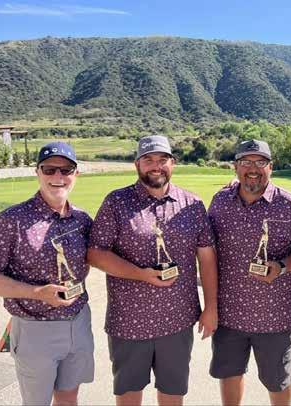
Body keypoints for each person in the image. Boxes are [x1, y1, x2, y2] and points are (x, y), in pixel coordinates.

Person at [87, 135, 218, 406]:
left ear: (173, 163)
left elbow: (206, 258)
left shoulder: (192, 204)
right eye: (148, 160)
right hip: (129, 321)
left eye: (162, 159)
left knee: (173, 394)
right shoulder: (116, 202)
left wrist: (211, 308)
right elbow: (96, 254)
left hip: (178, 321)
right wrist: (141, 274)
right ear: (137, 164)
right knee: (128, 395)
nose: (156, 166)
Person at [0, 142, 94, 406]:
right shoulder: (11, 220)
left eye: (66, 170)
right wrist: (36, 293)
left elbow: (88, 262)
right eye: (49, 169)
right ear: (37, 172)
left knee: (69, 398)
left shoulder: (82, 219)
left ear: (76, 174)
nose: (58, 176)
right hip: (35, 328)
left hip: (79, 321)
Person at [207, 139, 291, 406]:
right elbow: (207, 245)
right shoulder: (220, 201)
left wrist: (282, 266)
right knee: (229, 373)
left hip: (274, 316)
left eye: (260, 162)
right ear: (235, 167)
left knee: (277, 380)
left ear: (271, 167)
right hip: (228, 313)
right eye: (246, 162)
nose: (253, 169)